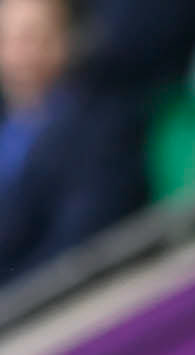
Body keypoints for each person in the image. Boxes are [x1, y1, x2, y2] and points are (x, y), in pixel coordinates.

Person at [0, 0, 148, 291]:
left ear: (68, 40)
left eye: (33, 38)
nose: (19, 55)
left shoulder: (100, 128)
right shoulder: (10, 126)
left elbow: (75, 251)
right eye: (7, 39)